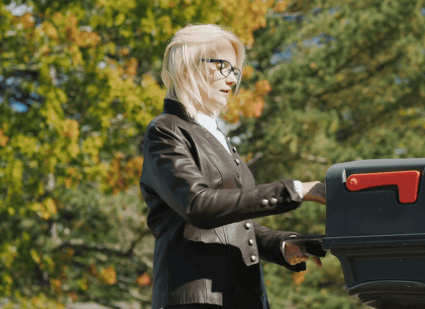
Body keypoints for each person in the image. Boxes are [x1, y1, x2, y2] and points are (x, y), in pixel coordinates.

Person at [139, 23, 326, 309]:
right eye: (223, 66)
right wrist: (297, 190)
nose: (232, 80)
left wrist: (280, 245)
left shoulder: (216, 136)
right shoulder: (165, 131)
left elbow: (233, 223)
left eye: (235, 71)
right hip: (196, 301)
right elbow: (198, 206)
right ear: (190, 65)